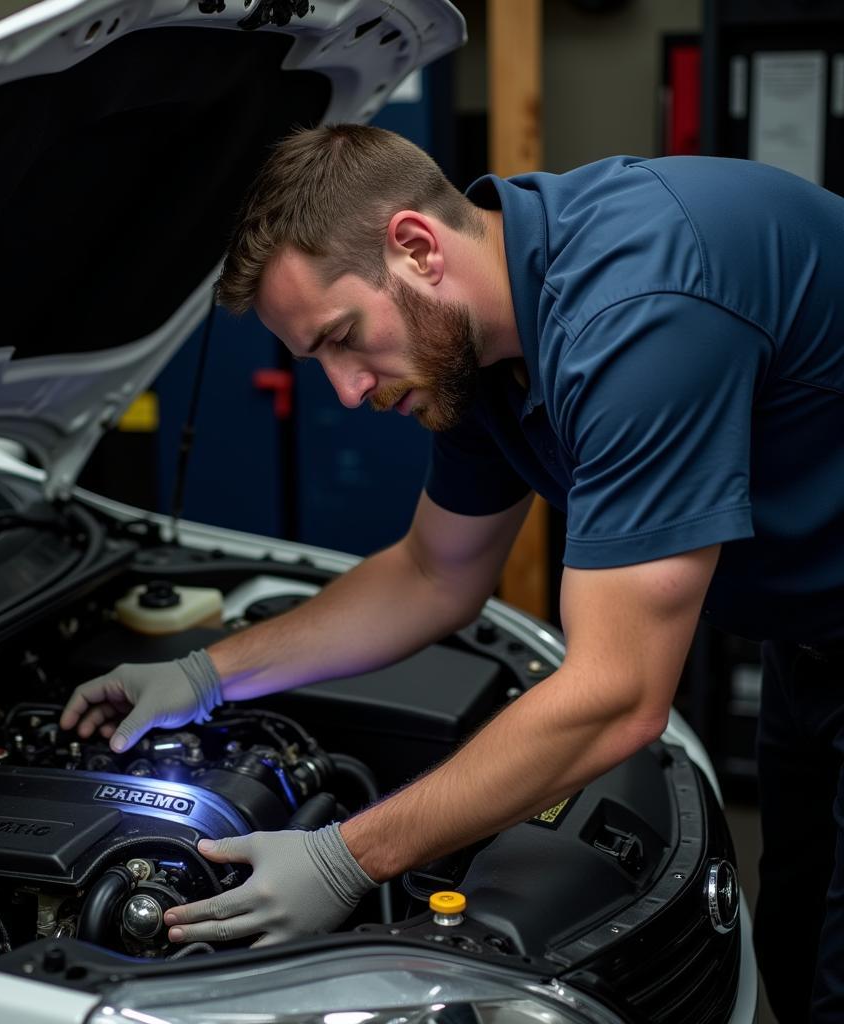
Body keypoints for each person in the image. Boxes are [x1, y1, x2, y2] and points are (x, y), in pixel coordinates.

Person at [61, 124, 844, 1021]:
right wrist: (204, 673)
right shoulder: (477, 347)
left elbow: (619, 695)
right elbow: (433, 572)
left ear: (417, 248)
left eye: (344, 338)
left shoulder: (637, 311)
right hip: (811, 639)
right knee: (791, 936)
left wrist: (344, 857)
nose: (347, 391)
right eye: (319, 361)